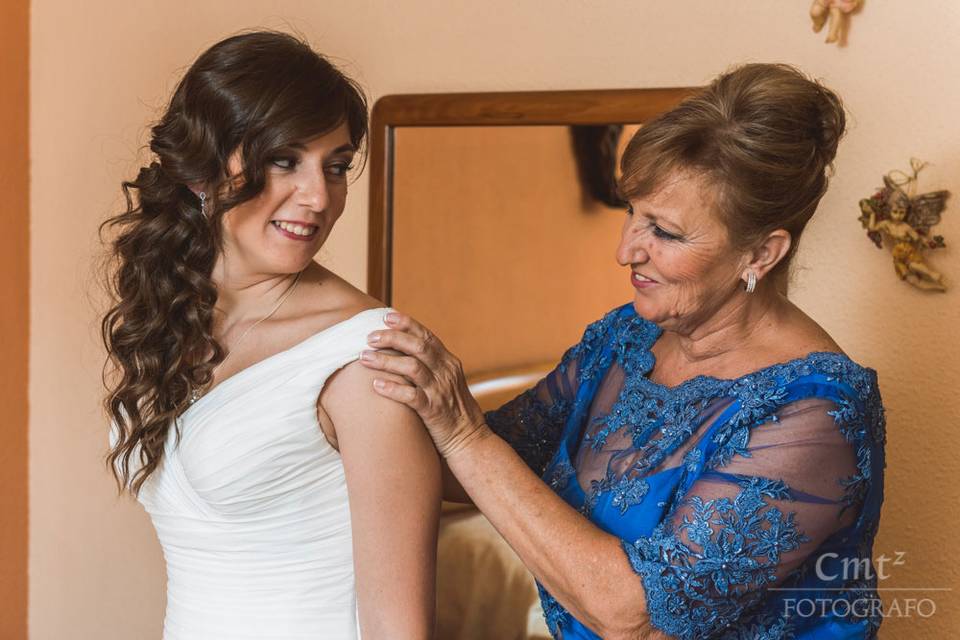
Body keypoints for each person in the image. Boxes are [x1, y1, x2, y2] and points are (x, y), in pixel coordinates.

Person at [361, 63, 886, 639]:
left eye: (664, 232)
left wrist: (464, 432)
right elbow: (483, 469)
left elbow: (631, 615)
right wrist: (334, 405)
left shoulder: (813, 412)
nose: (625, 251)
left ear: (760, 253)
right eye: (632, 213)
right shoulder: (624, 341)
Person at [101, 31, 440, 640]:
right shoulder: (175, 316)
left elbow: (399, 627)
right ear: (202, 168)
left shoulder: (365, 360)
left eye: (335, 167)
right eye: (285, 159)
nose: (318, 197)